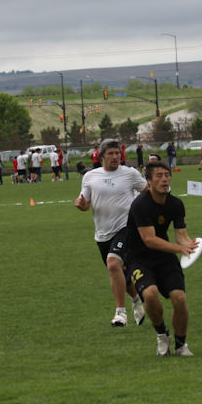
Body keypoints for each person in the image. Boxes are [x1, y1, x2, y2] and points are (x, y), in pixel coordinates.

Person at [74, 139, 149, 328]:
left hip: (126, 228)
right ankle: (136, 300)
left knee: (113, 264)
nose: (115, 157)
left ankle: (120, 313)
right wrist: (81, 205)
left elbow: (147, 192)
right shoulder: (90, 177)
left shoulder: (130, 173)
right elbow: (85, 203)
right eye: (111, 153)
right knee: (121, 274)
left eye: (118, 153)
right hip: (102, 233)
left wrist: (142, 213)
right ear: (101, 156)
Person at [126, 160, 197, 357]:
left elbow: (181, 235)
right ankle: (162, 335)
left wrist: (191, 245)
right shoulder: (140, 205)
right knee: (150, 294)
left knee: (179, 298)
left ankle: (181, 345)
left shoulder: (176, 204)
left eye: (167, 175)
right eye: (159, 176)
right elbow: (149, 240)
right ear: (148, 181)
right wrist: (179, 248)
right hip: (139, 259)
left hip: (165, 258)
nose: (165, 179)